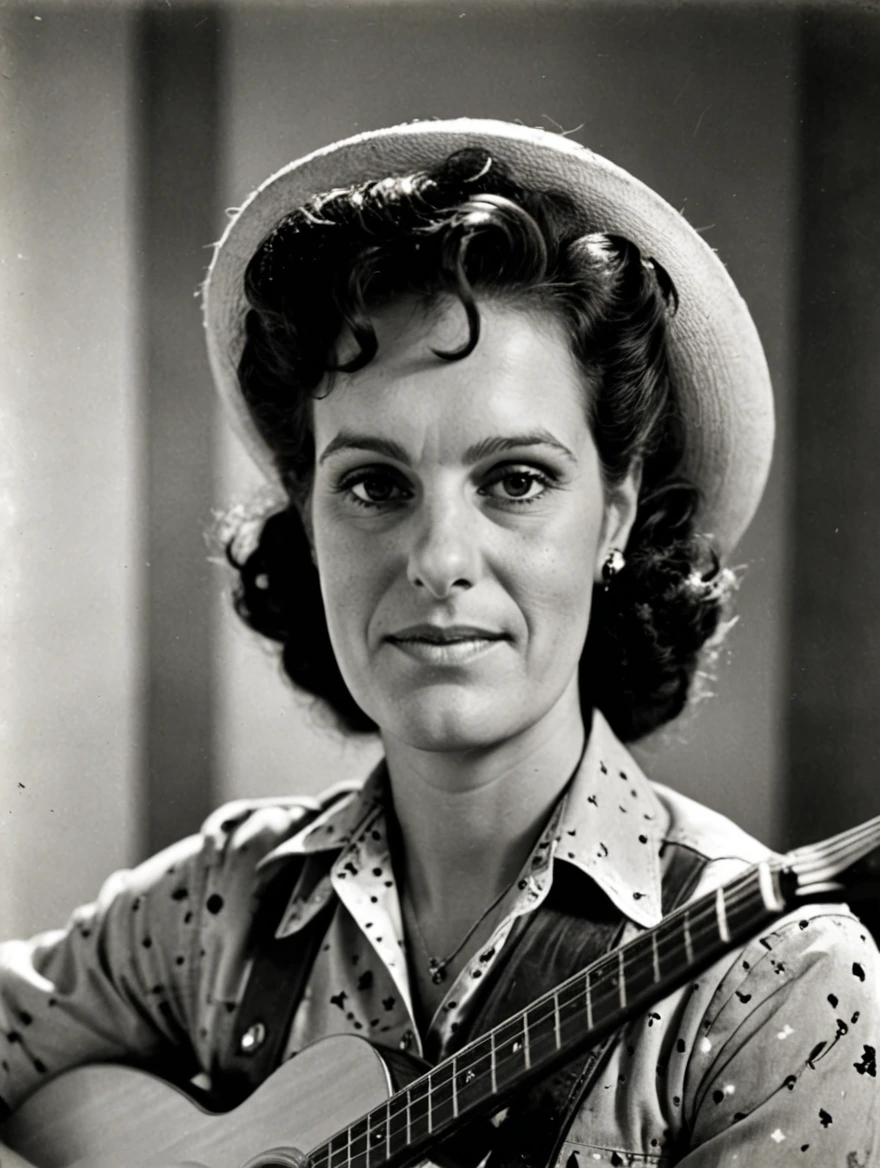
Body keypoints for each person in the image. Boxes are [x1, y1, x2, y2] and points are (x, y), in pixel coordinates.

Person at [1, 118, 878, 1167]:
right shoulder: (230, 896)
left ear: (613, 515)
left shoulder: (774, 978)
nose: (436, 557)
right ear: (307, 516)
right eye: (374, 485)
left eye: (515, 480)